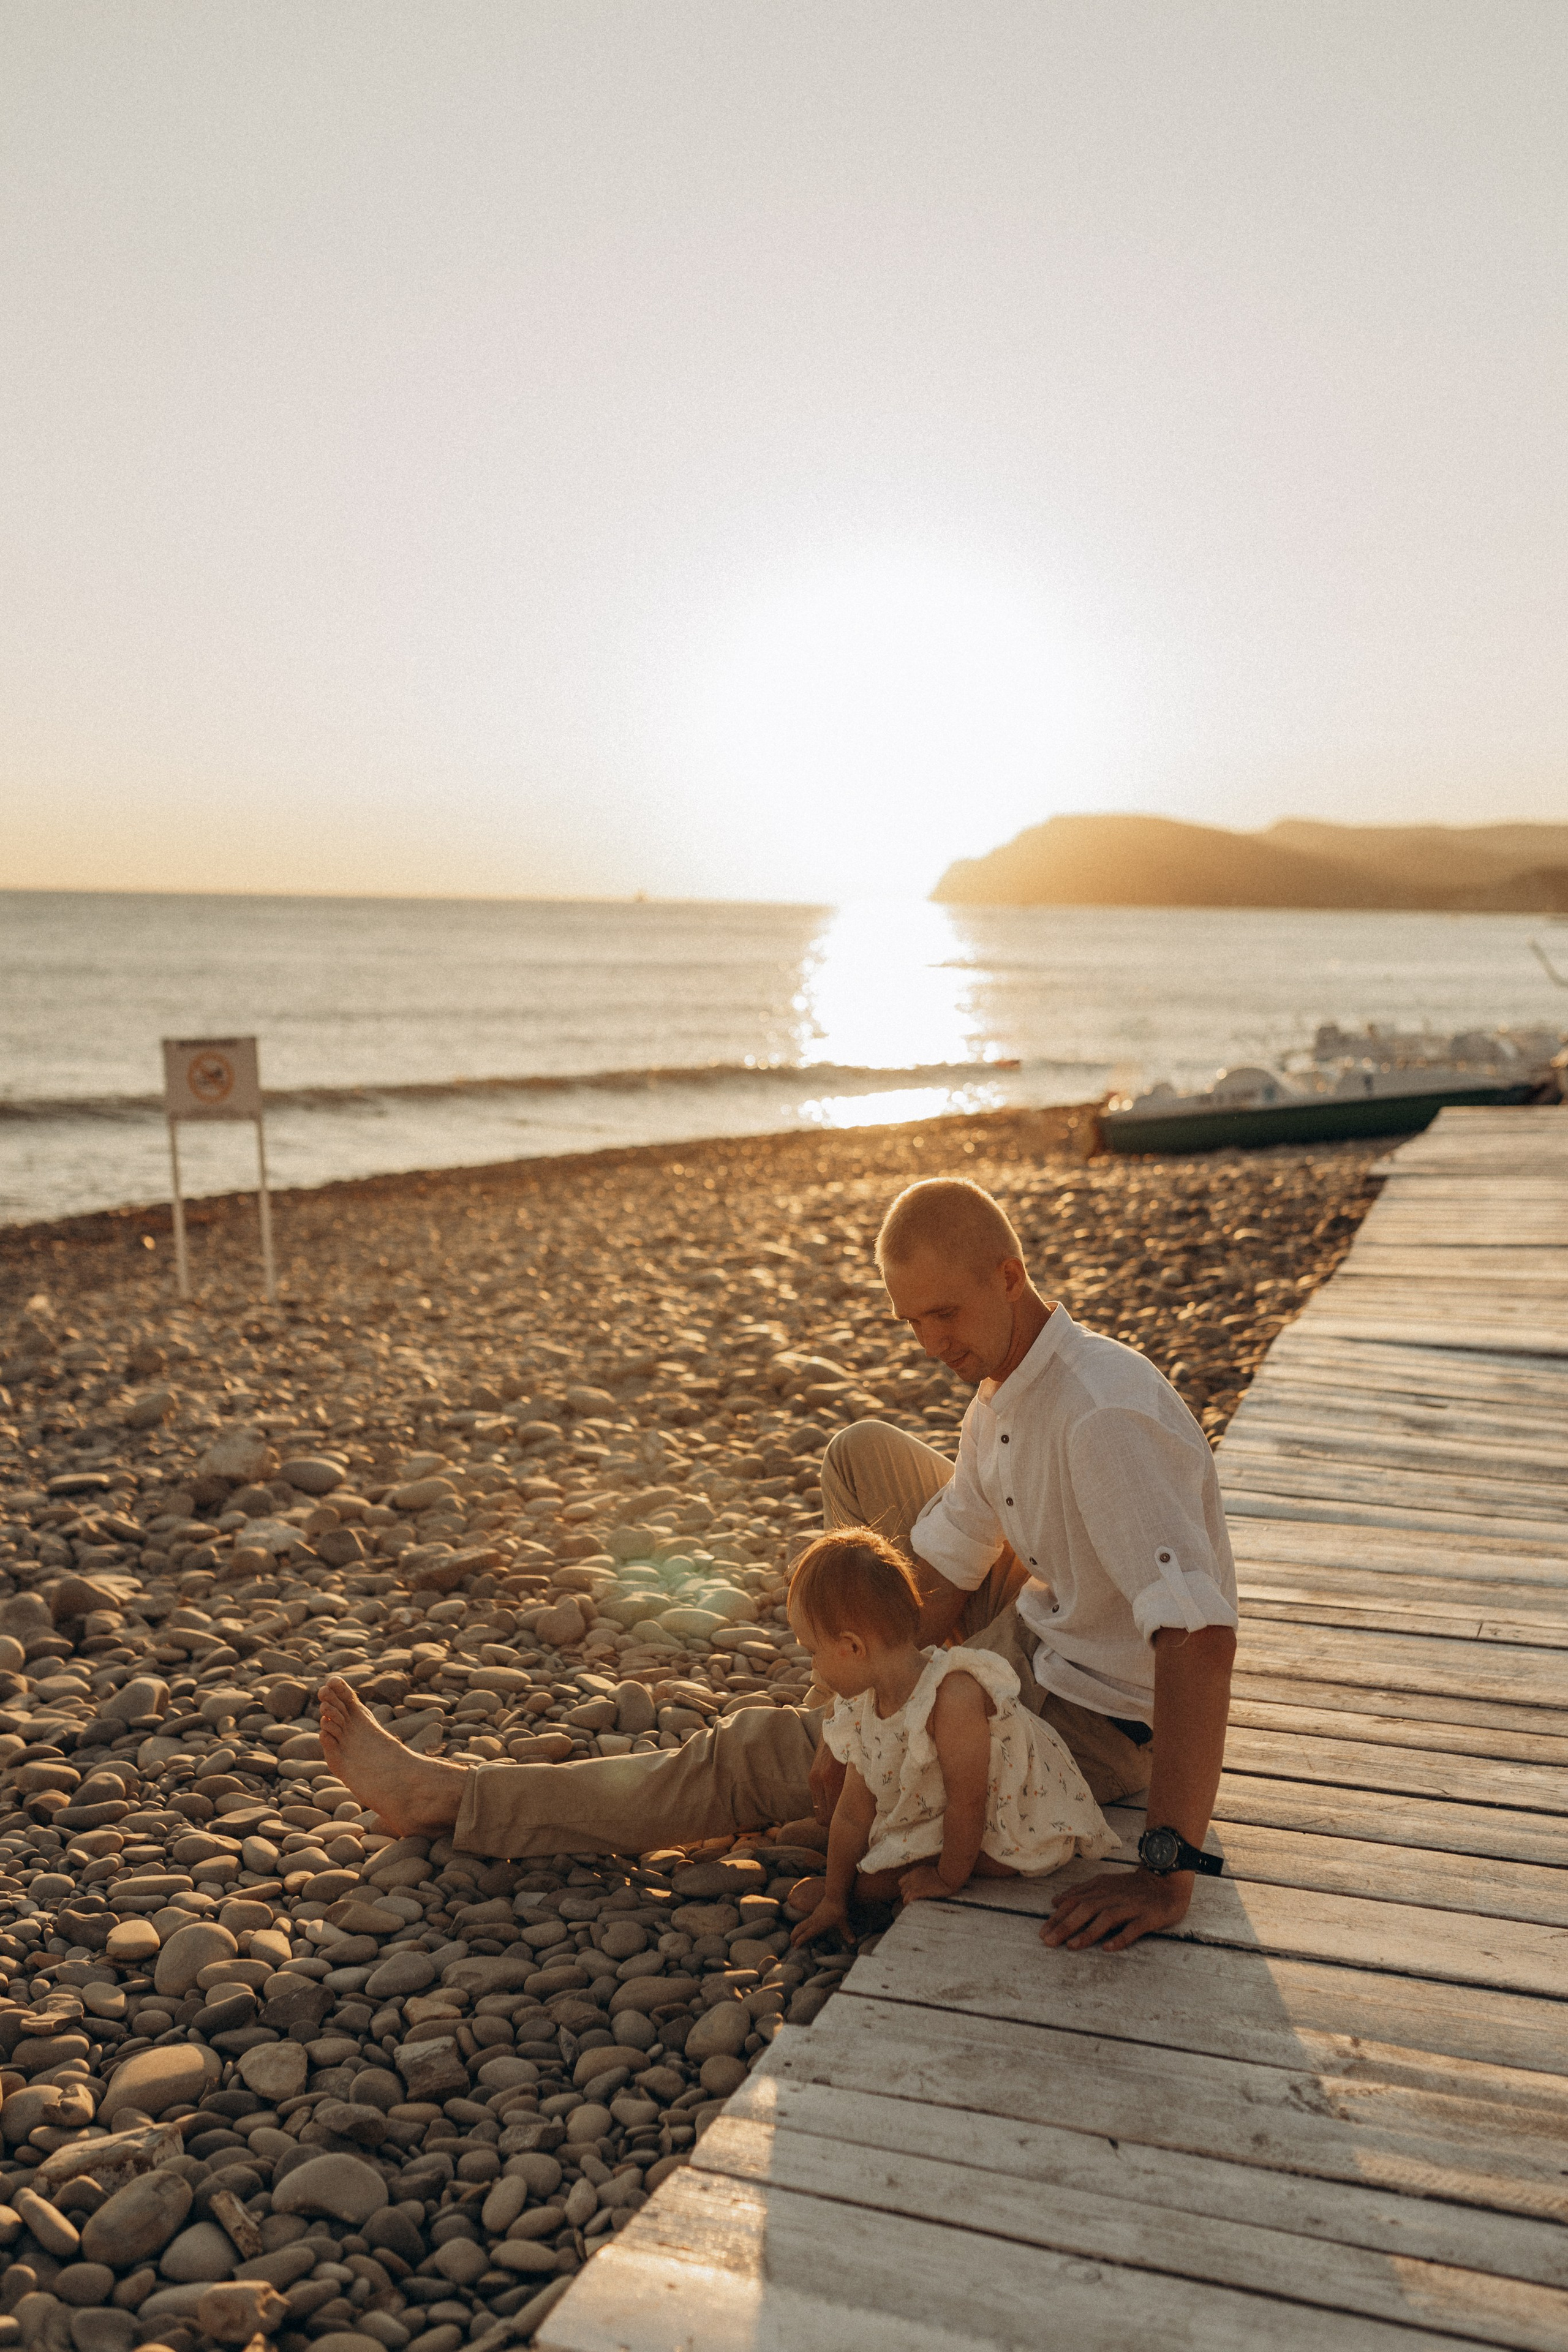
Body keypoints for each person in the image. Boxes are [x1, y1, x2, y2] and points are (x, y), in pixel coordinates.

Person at [319, 1172, 1238, 1952]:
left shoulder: (1098, 1421)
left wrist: (1167, 1871)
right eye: (912, 1322)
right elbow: (948, 1567)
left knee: (750, 1755)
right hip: (1048, 1614)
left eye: (947, 1313)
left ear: (1010, 1276)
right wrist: (857, 1706)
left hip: (1098, 1715)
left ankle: (449, 1800)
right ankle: (876, 1748)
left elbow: (1198, 1640)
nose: (933, 1345)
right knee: (865, 1454)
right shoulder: (1007, 1388)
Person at [782, 1526, 1116, 1950]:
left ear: (851, 1646)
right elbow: (853, 1810)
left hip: (1010, 1818)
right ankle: (860, 1891)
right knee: (863, 1862)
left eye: (813, 1651)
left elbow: (969, 1800)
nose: (812, 1668)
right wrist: (833, 1895)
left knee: (881, 1879)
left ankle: (944, 1871)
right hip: (953, 1811)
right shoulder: (861, 1705)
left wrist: (944, 1877)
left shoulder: (951, 1696)